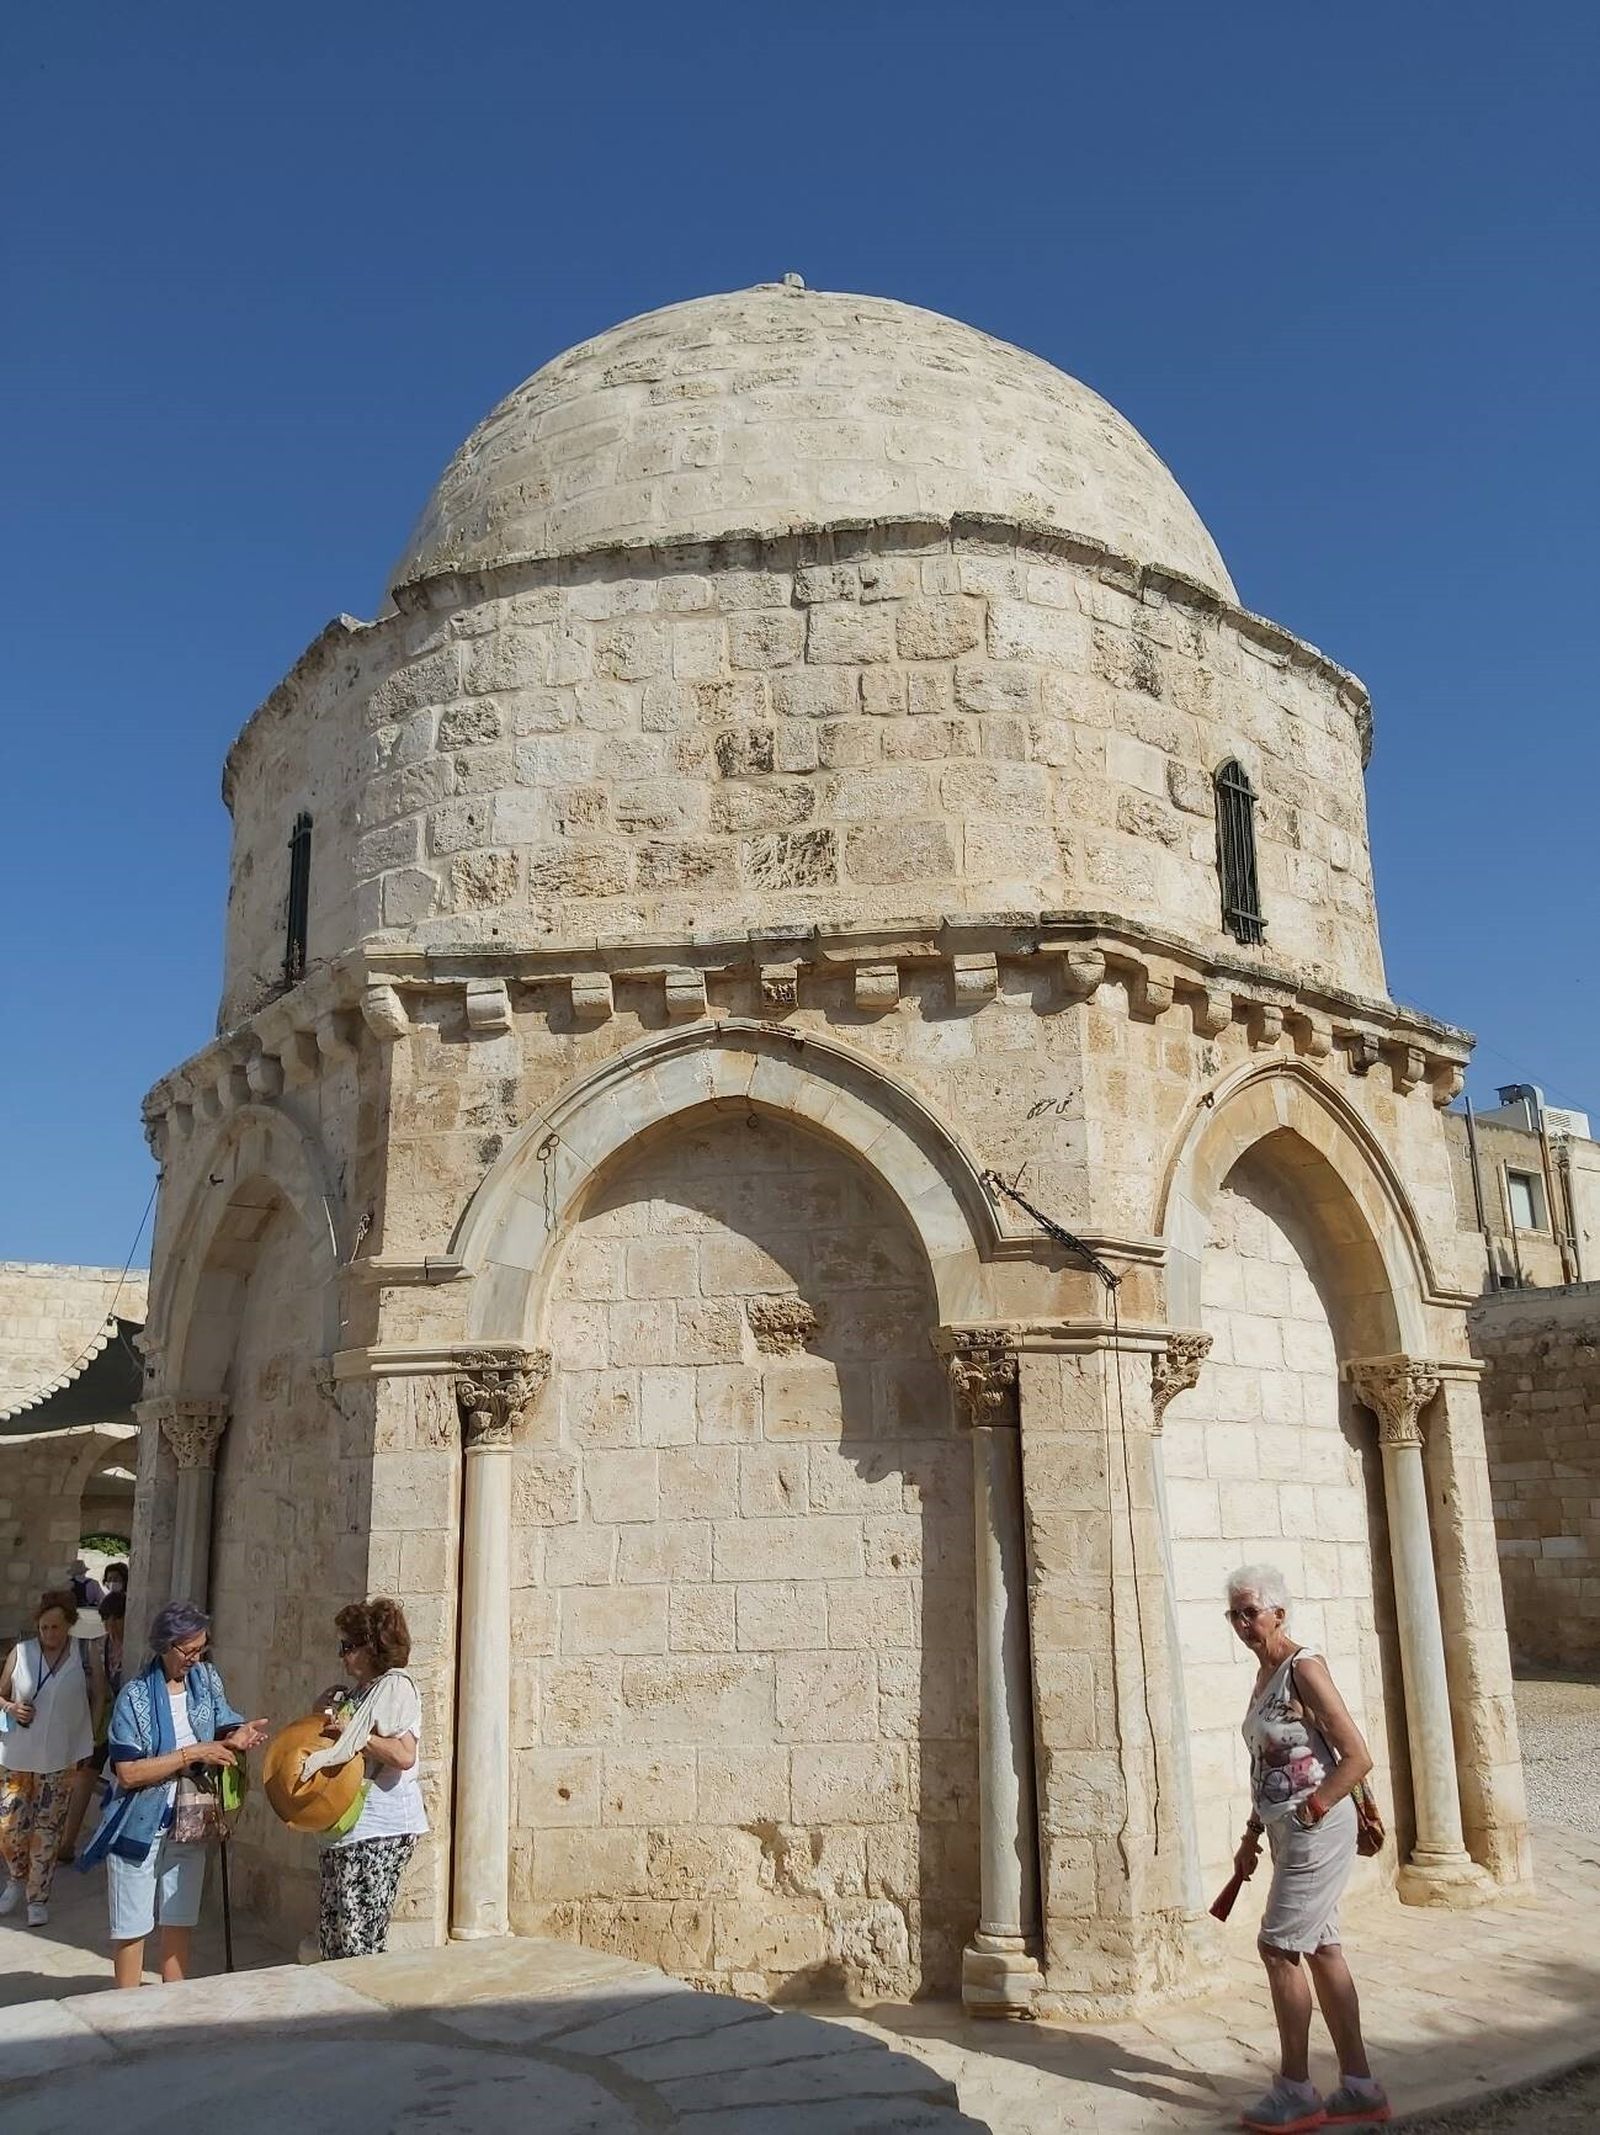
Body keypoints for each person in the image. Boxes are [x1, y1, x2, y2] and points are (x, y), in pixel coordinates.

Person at [1226, 1565, 1388, 2132]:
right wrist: (1251, 1835)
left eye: (1252, 1611)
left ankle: (1295, 2089)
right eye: (1235, 1614)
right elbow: (1265, 1763)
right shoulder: (1265, 1676)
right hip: (1285, 1831)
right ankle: (1361, 2086)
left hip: (1318, 1828)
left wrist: (1315, 1808)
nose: (1244, 1623)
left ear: (1279, 1613)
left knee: (1277, 1948)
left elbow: (1357, 1756)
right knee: (1323, 1949)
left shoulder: (1304, 1667)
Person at [79, 1601, 268, 1988]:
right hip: (137, 1823)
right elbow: (128, 1772)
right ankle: (128, 2008)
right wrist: (192, 1753)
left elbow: (222, 1722)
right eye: (189, 1651)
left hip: (190, 1817)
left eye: (202, 1648)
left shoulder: (207, 1680)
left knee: (179, 1915)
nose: (196, 1659)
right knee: (132, 1923)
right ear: (165, 1646)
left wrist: (237, 1736)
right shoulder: (133, 1698)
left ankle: (172, 2005)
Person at [301, 1599, 426, 1959]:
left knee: (360, 1941)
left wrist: (358, 1736)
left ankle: (365, 2015)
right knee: (335, 1936)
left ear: (371, 1647)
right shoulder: (360, 1692)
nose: (342, 1656)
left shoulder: (396, 1689)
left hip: (379, 1829)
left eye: (347, 1647)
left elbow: (403, 1755)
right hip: (345, 1828)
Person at [0, 1589, 106, 1925]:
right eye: (44, 1628)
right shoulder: (21, 1652)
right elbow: (0, 1695)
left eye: (56, 1627)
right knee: (9, 1824)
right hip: (16, 1755)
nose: (49, 1634)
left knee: (48, 1829)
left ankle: (38, 1896)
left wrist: (87, 1740)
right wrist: (12, 1708)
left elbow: (99, 1696)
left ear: (69, 1626)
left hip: (60, 1757)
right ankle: (16, 1877)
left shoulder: (84, 1653)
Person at [59, 1590, 127, 1865]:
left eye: (116, 1618)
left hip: (128, 1724)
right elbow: (99, 1692)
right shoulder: (99, 1647)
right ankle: (67, 1843)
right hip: (105, 1721)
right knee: (86, 1776)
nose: (111, 1624)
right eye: (107, 1618)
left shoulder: (137, 1645)